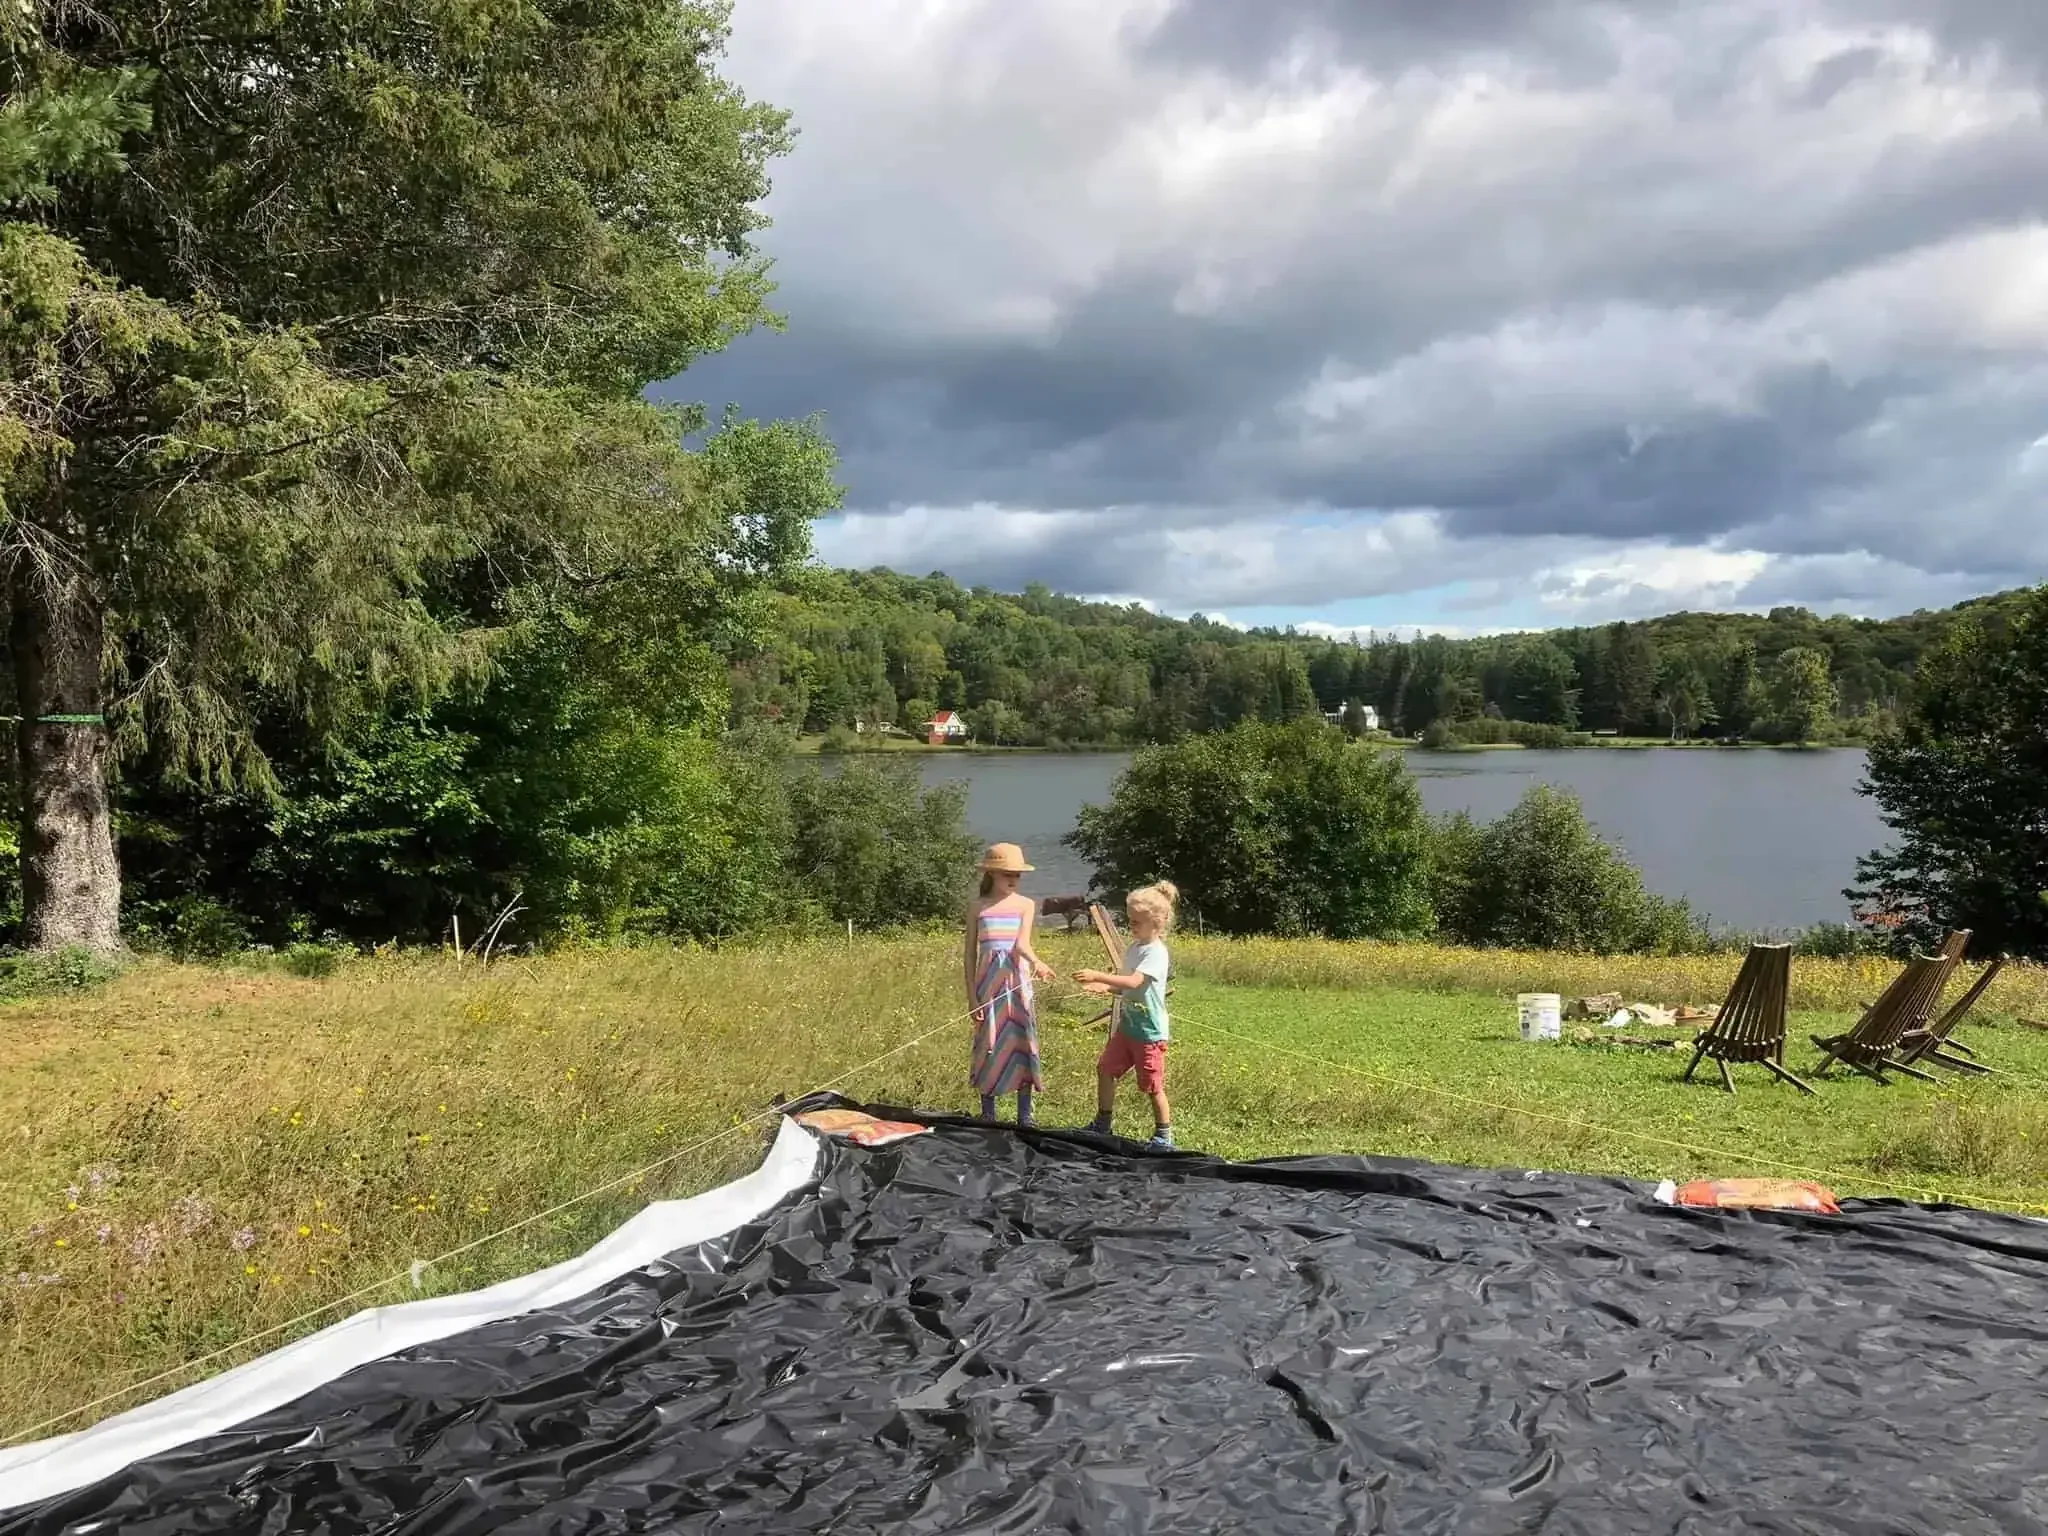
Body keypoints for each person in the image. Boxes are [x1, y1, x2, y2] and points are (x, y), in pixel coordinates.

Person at [1074, 880, 1178, 1148]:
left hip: (1149, 1032)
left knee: (1152, 1086)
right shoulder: (1134, 948)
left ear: (1157, 922)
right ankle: (1103, 1124)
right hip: (1128, 1028)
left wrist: (1097, 974)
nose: (1131, 925)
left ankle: (1163, 1136)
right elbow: (1125, 986)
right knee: (1106, 1069)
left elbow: (1134, 982)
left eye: (1136, 921)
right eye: (1129, 919)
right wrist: (1104, 987)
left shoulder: (1156, 953)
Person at [966, 843, 1055, 1124]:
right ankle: (988, 1113)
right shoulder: (978, 907)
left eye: (1017, 874)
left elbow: (1021, 945)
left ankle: (1025, 1115)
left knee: (1021, 1040)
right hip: (988, 986)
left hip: (1017, 983)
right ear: (991, 874)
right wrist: (972, 997)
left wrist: (1038, 962)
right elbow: (969, 955)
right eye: (1007, 873)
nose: (1013, 878)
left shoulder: (1026, 904)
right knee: (988, 1043)